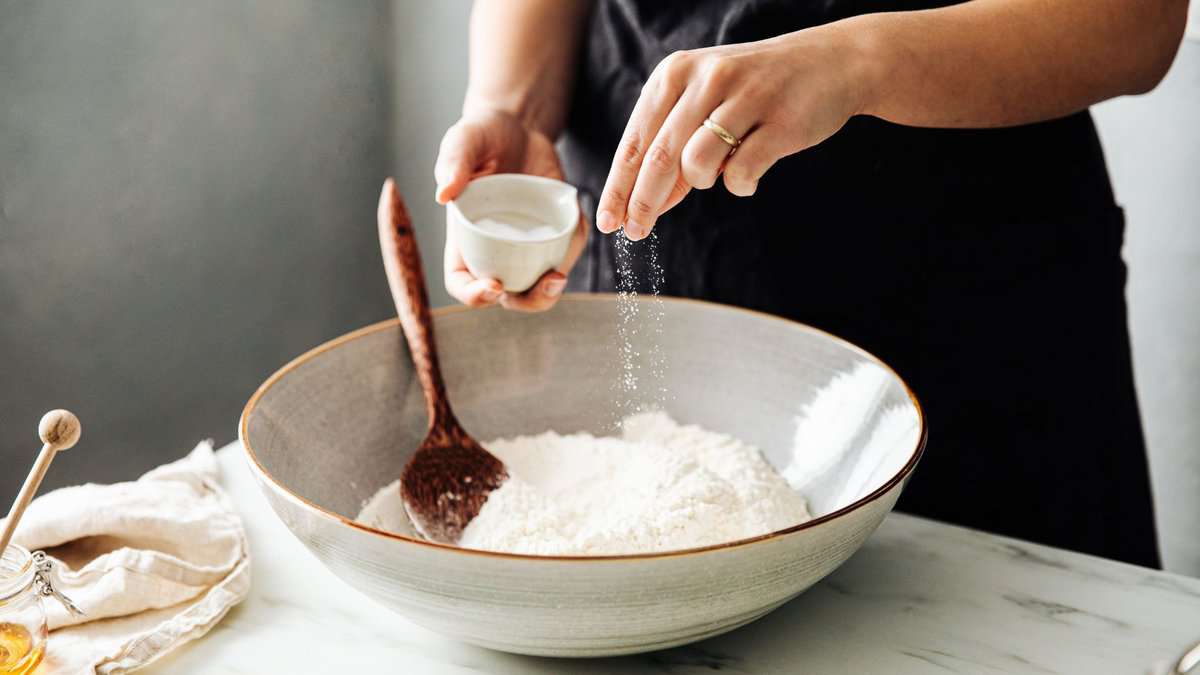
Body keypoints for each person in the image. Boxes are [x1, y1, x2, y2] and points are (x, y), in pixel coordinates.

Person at [432, 0, 1190, 568]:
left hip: (980, 314)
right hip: (653, 235)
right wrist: (511, 107)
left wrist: (857, 59)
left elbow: (1138, 23)